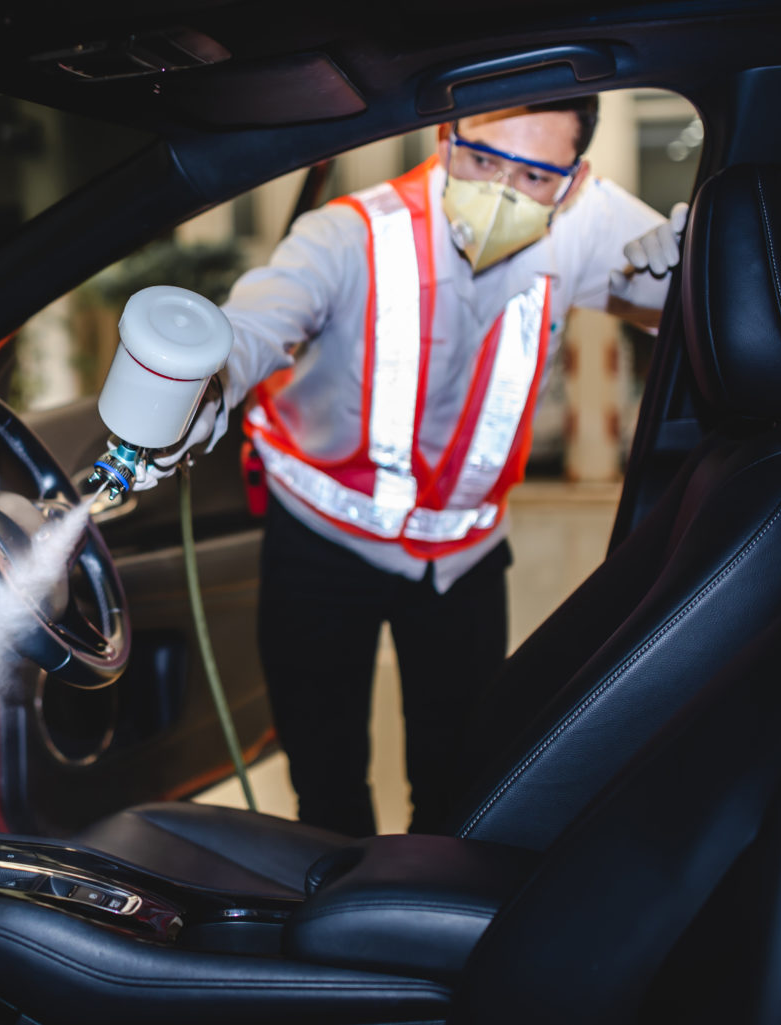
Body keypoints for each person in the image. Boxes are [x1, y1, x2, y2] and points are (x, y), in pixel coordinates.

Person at [137, 97, 689, 837]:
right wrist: (210, 379)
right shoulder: (348, 233)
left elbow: (716, 304)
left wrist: (702, 266)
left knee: (458, 784)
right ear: (444, 137)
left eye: (531, 176)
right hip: (321, 539)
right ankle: (333, 933)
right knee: (326, 786)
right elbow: (260, 320)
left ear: (575, 178)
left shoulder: (585, 228)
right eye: (482, 160)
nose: (500, 192)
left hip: (462, 559)